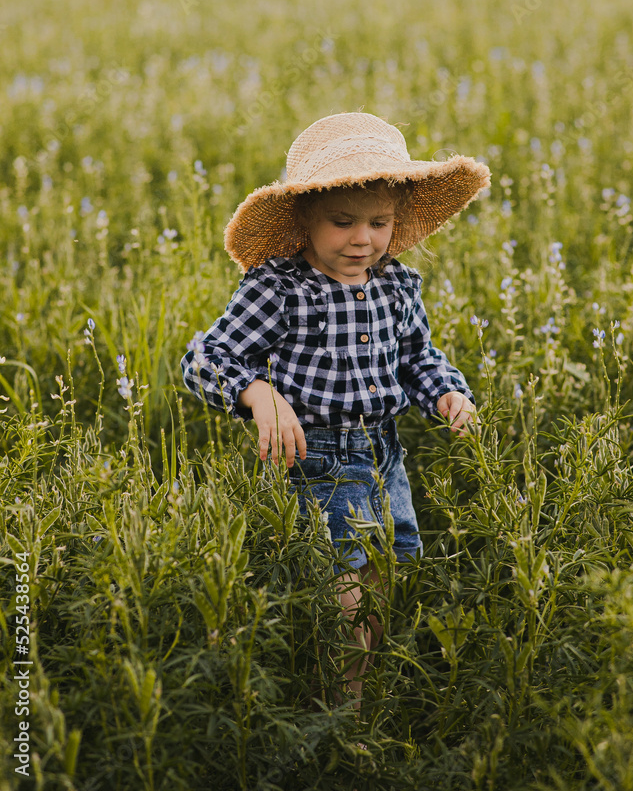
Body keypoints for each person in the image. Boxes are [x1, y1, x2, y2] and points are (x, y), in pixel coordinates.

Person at [181, 111, 490, 717]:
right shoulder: (279, 286)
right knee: (341, 591)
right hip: (313, 459)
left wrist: (448, 394)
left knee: (384, 578)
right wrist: (259, 393)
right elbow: (206, 357)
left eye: (379, 223)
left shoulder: (397, 285)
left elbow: (417, 360)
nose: (362, 240)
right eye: (343, 222)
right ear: (305, 219)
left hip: (384, 455)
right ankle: (343, 714)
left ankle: (359, 694)